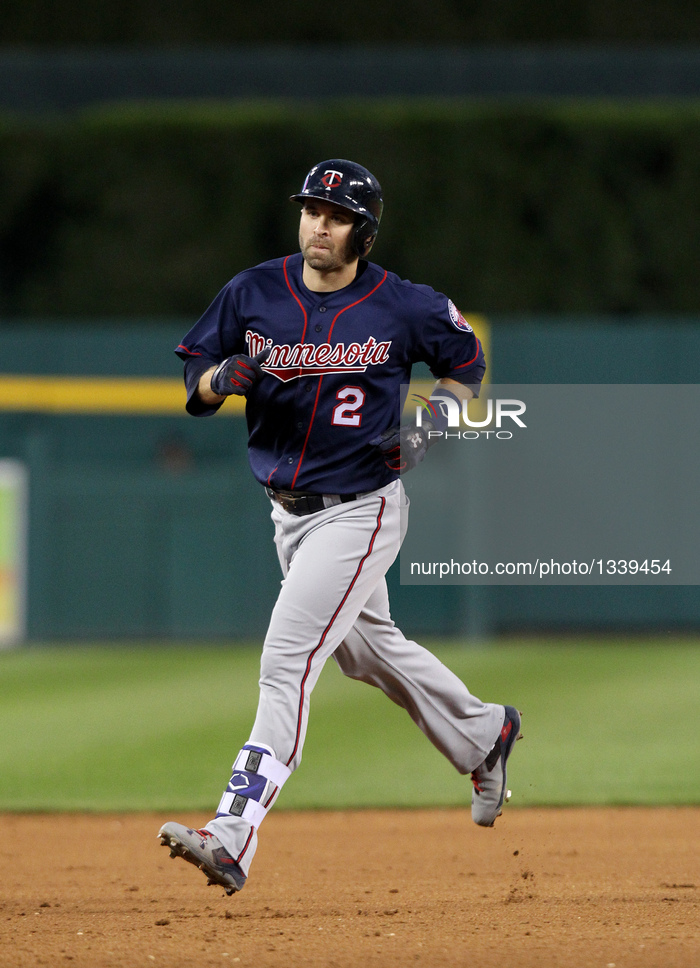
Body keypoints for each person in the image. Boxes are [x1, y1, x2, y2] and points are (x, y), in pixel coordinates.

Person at [158, 159, 522, 896]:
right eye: (310, 210)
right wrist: (220, 379)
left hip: (361, 508)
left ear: (364, 230)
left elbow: (466, 364)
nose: (318, 225)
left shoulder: (403, 305)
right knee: (366, 652)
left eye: (335, 215)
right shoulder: (254, 291)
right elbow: (193, 385)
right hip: (288, 514)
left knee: (286, 660)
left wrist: (431, 428)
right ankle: (487, 732)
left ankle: (233, 835)